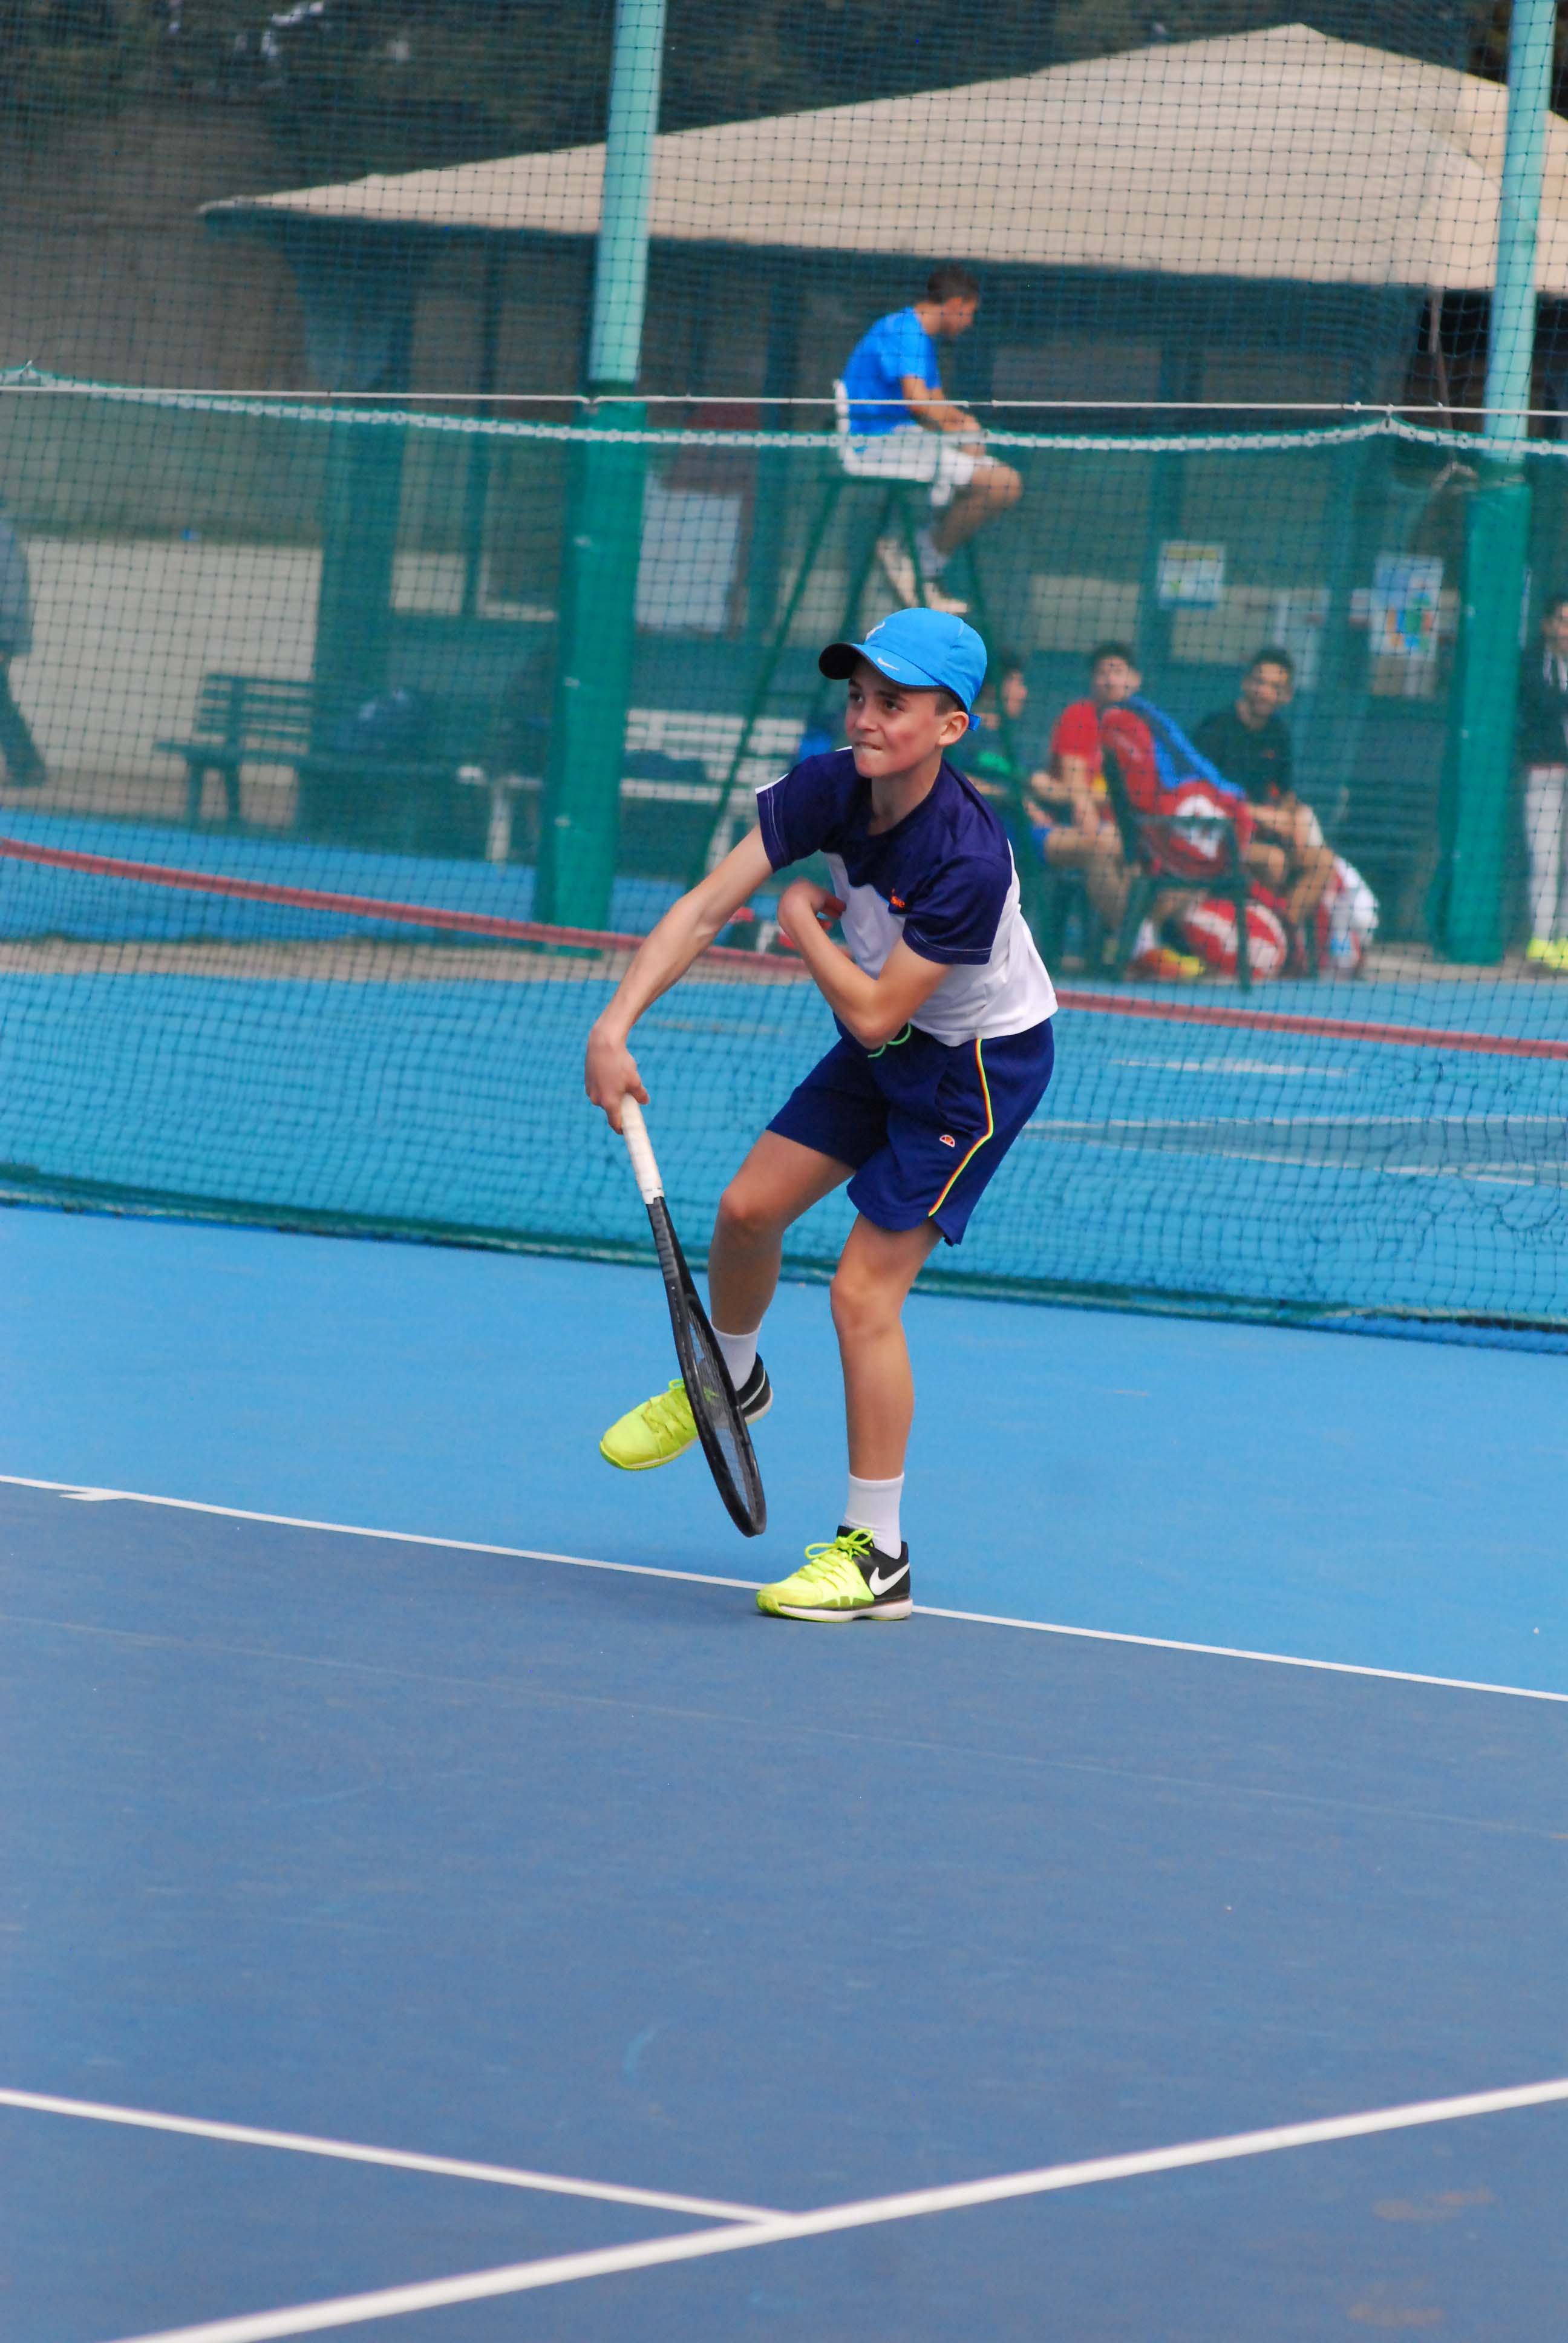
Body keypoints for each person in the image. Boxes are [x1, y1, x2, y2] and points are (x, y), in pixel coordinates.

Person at [586, 609, 1057, 1623]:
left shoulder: (969, 859)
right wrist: (614, 1024)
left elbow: (877, 1011)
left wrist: (801, 919)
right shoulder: (826, 786)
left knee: (861, 1295)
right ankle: (729, 1381)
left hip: (974, 1066)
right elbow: (708, 905)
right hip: (888, 1037)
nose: (867, 717)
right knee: (747, 1210)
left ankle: (877, 1557)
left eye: (895, 703)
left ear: (951, 727)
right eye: (858, 696)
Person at [840, 266, 1022, 617]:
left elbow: (936, 402)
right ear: (954, 304)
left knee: (1000, 481)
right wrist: (960, 430)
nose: (970, 323)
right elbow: (918, 402)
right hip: (878, 446)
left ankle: (914, 556)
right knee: (1004, 484)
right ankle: (920, 562)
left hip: (903, 442)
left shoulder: (921, 338)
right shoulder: (905, 330)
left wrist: (966, 429)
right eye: (969, 313)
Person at [1192, 648, 1334, 937]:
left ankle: (1283, 935)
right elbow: (1200, 794)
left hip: (1260, 834)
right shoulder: (1216, 728)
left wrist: (1294, 819)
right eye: (1259, 682)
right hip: (1216, 836)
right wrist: (1257, 814)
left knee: (1323, 862)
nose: (1265, 692)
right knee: (1274, 862)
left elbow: (1286, 794)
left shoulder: (1279, 734)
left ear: (1286, 696)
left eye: (1275, 687)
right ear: (1246, 683)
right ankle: (1250, 937)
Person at [1515, 593, 1568, 970]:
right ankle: (1541, 941)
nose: (1567, 631)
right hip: (1544, 773)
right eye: (1562, 622)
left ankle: (1565, 941)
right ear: (1548, 625)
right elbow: (1540, 706)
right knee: (1545, 859)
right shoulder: (1532, 663)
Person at [0, 502, 45, 790]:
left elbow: (11, 595)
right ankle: (27, 765)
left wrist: (4, 641)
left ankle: (28, 766)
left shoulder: (3, 538)